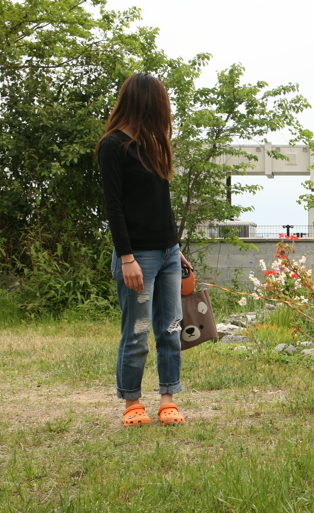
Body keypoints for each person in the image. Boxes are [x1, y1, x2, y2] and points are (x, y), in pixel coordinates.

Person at [97, 73, 191, 426]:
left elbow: (160, 204)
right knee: (136, 332)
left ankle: (168, 399)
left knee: (170, 329)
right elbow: (114, 207)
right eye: (162, 103)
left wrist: (175, 249)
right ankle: (132, 403)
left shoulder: (155, 144)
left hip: (167, 253)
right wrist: (127, 259)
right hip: (137, 257)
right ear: (148, 103)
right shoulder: (113, 146)